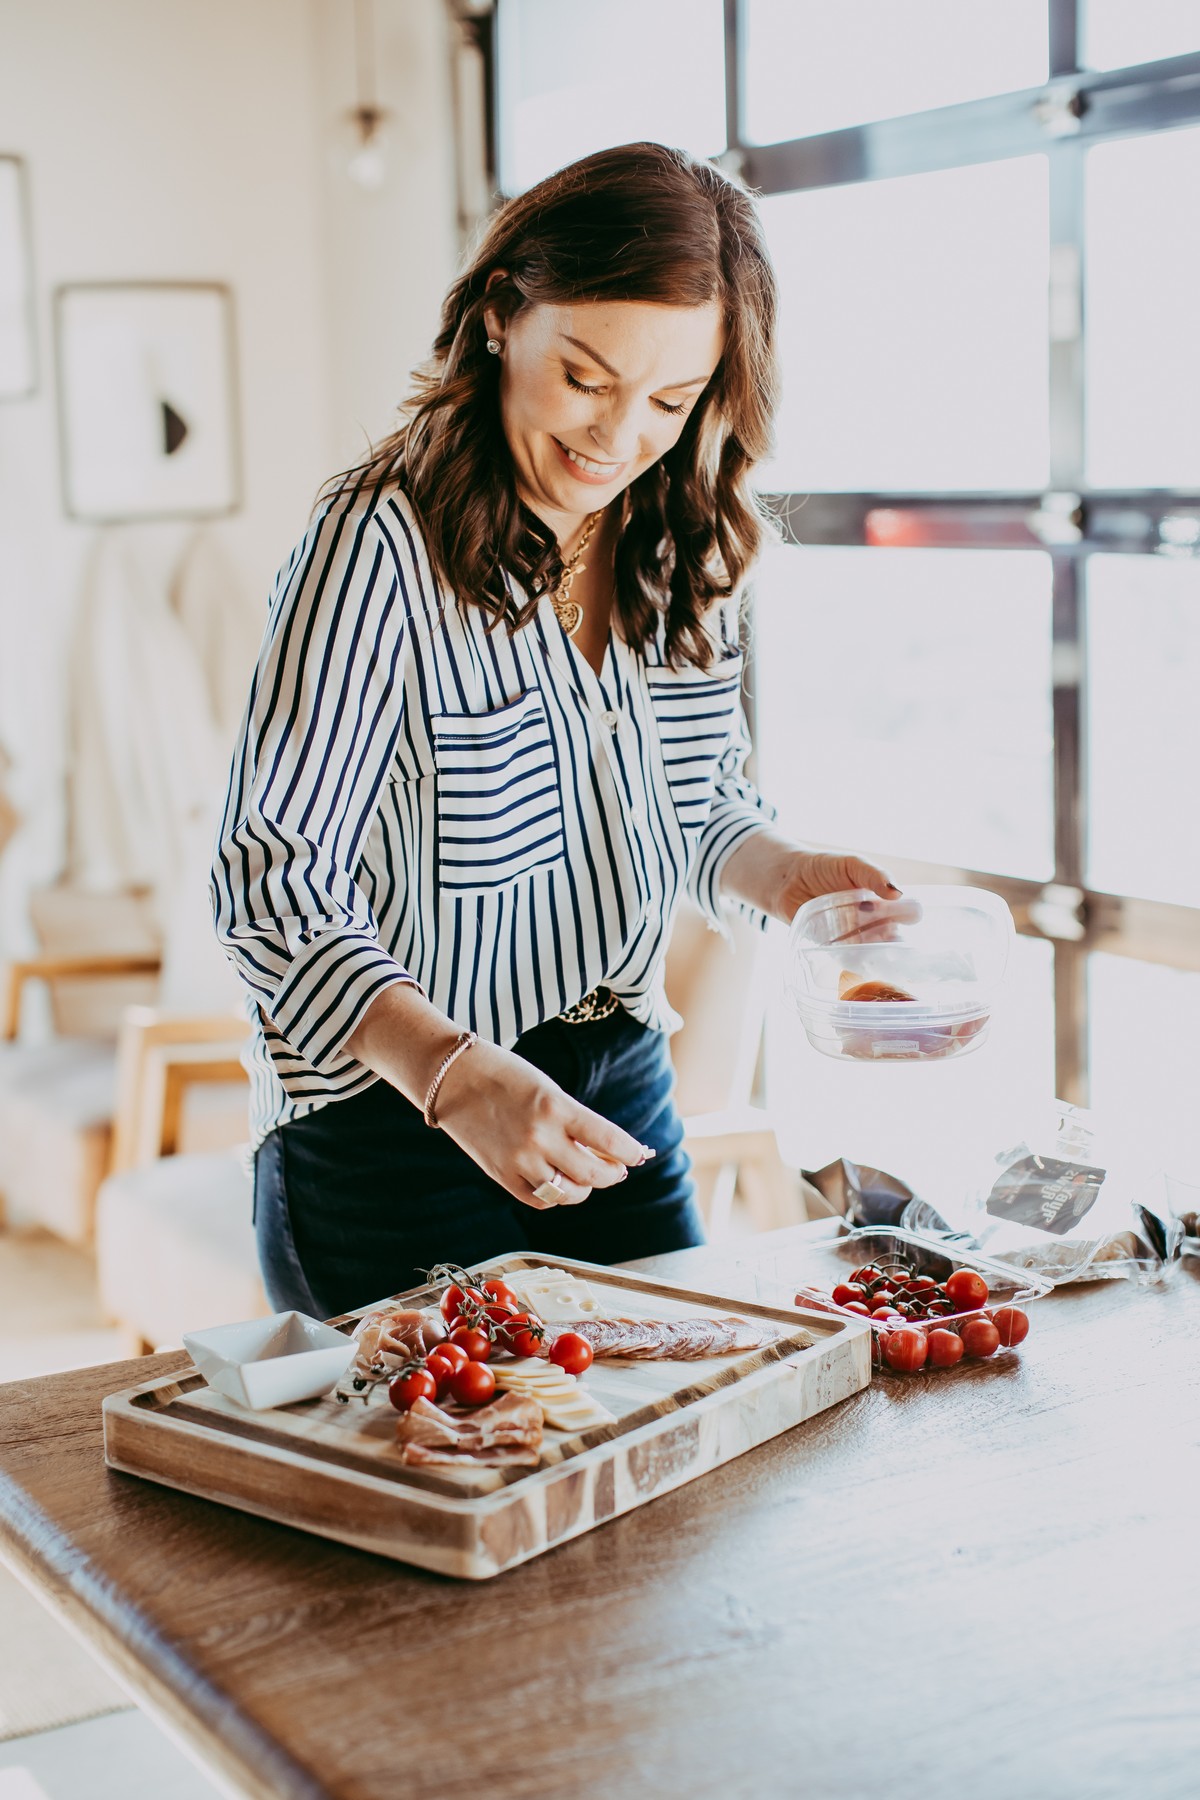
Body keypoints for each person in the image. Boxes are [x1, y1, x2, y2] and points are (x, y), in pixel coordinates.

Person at [211, 142, 899, 1318]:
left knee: (684, 1464)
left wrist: (795, 882)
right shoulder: (376, 549)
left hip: (617, 1091)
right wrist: (454, 1074)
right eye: (586, 376)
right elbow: (269, 880)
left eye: (672, 401)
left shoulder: (675, 538)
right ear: (500, 317)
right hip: (394, 1123)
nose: (619, 437)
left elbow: (695, 804)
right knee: (444, 1479)